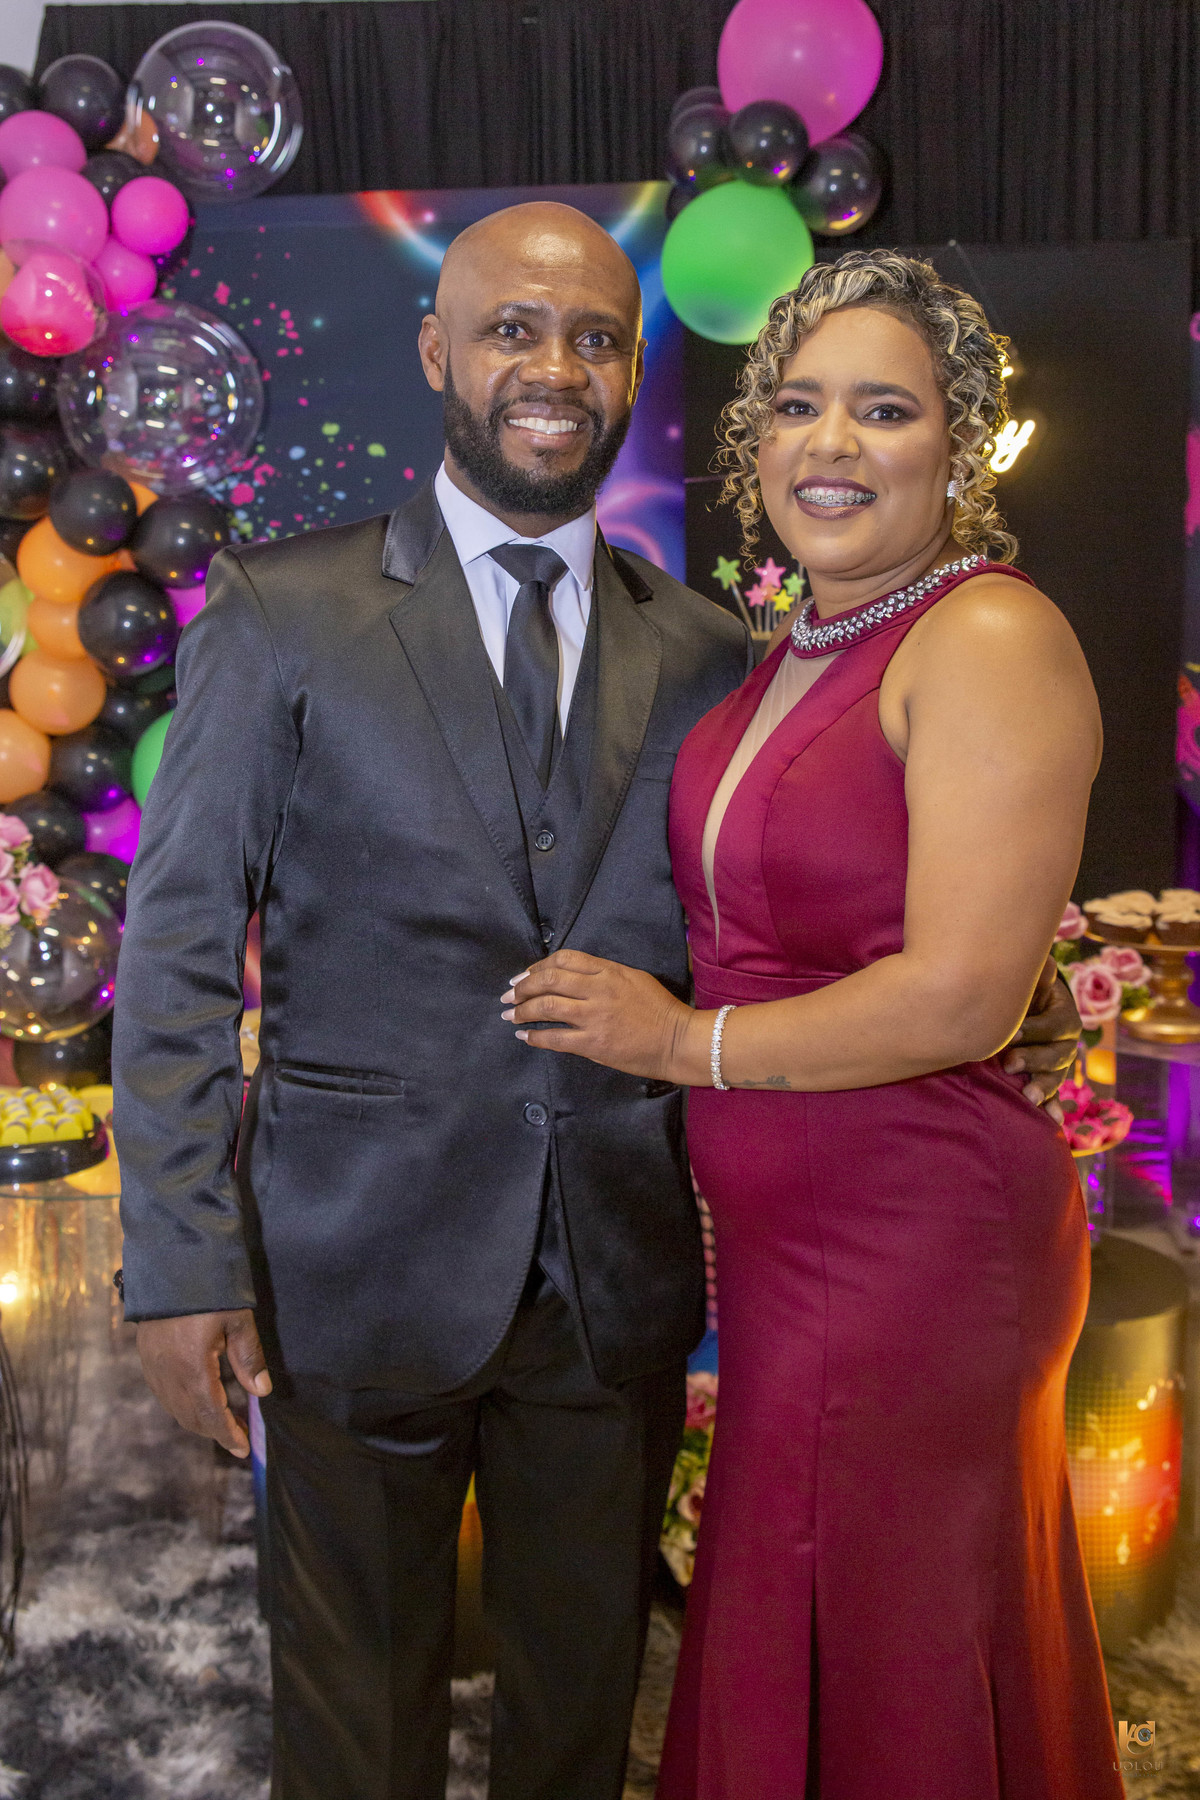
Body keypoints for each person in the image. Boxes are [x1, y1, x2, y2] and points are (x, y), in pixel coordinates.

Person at [113, 210, 1079, 1800]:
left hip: (612, 1284)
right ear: (437, 352)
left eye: (595, 339)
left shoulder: (711, 646)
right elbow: (178, 951)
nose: (553, 368)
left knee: (580, 1725)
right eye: (512, 330)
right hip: (353, 1273)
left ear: (633, 372)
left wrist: (984, 1008)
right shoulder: (282, 609)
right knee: (354, 1733)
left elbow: (787, 918)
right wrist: (177, 1263)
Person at [501, 249, 1122, 1800]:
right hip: (798, 1255)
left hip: (920, 1242)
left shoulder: (987, 637)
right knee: (805, 1614)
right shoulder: (795, 643)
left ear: (958, 447)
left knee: (902, 1649)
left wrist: (676, 1045)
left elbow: (962, 993)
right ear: (755, 439)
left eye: (885, 410)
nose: (830, 443)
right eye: (797, 406)